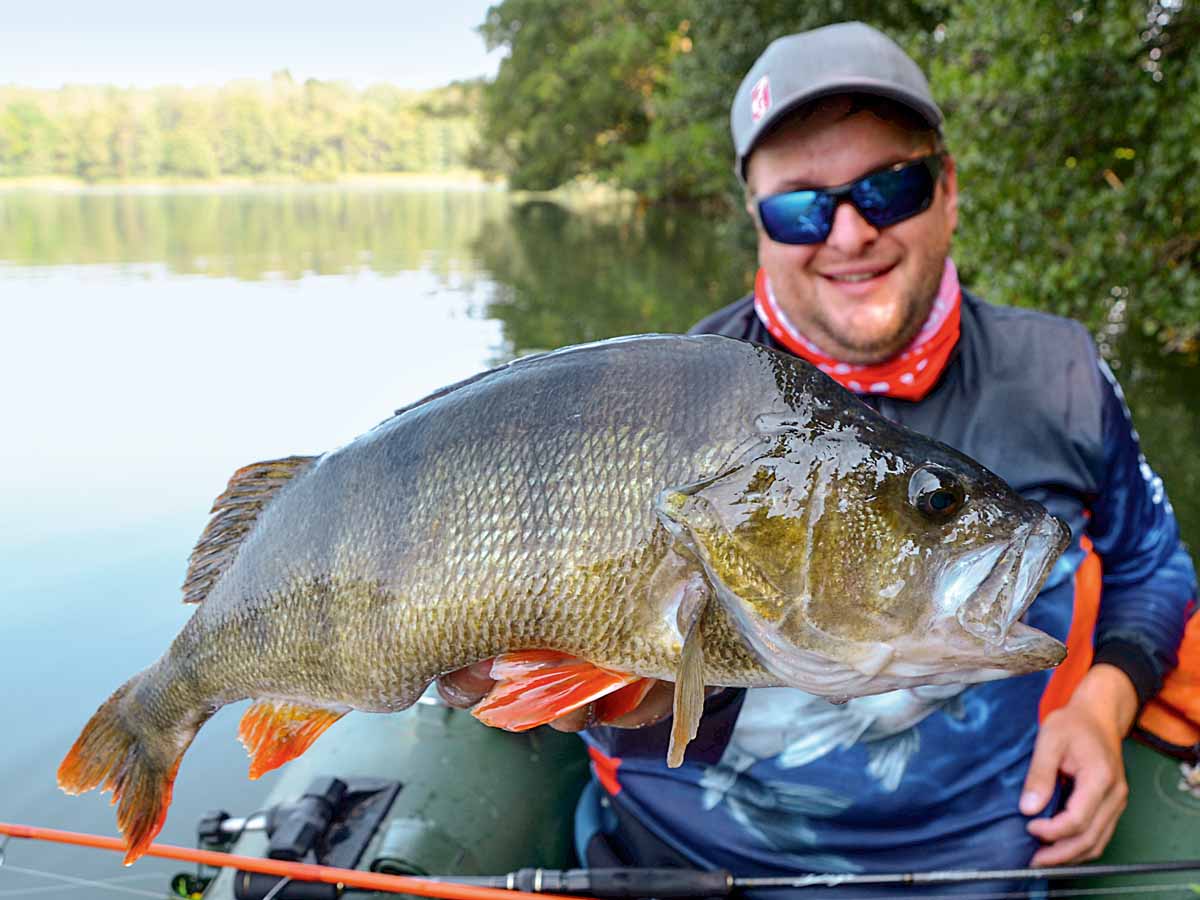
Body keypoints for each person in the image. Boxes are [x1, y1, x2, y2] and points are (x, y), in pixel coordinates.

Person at [439, 21, 1197, 894]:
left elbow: (1152, 561)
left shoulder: (1060, 374)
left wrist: (1105, 700)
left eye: (891, 189)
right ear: (755, 221)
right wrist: (616, 701)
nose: (846, 234)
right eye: (800, 204)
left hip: (990, 857)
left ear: (947, 191)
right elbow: (597, 693)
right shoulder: (662, 409)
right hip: (682, 865)